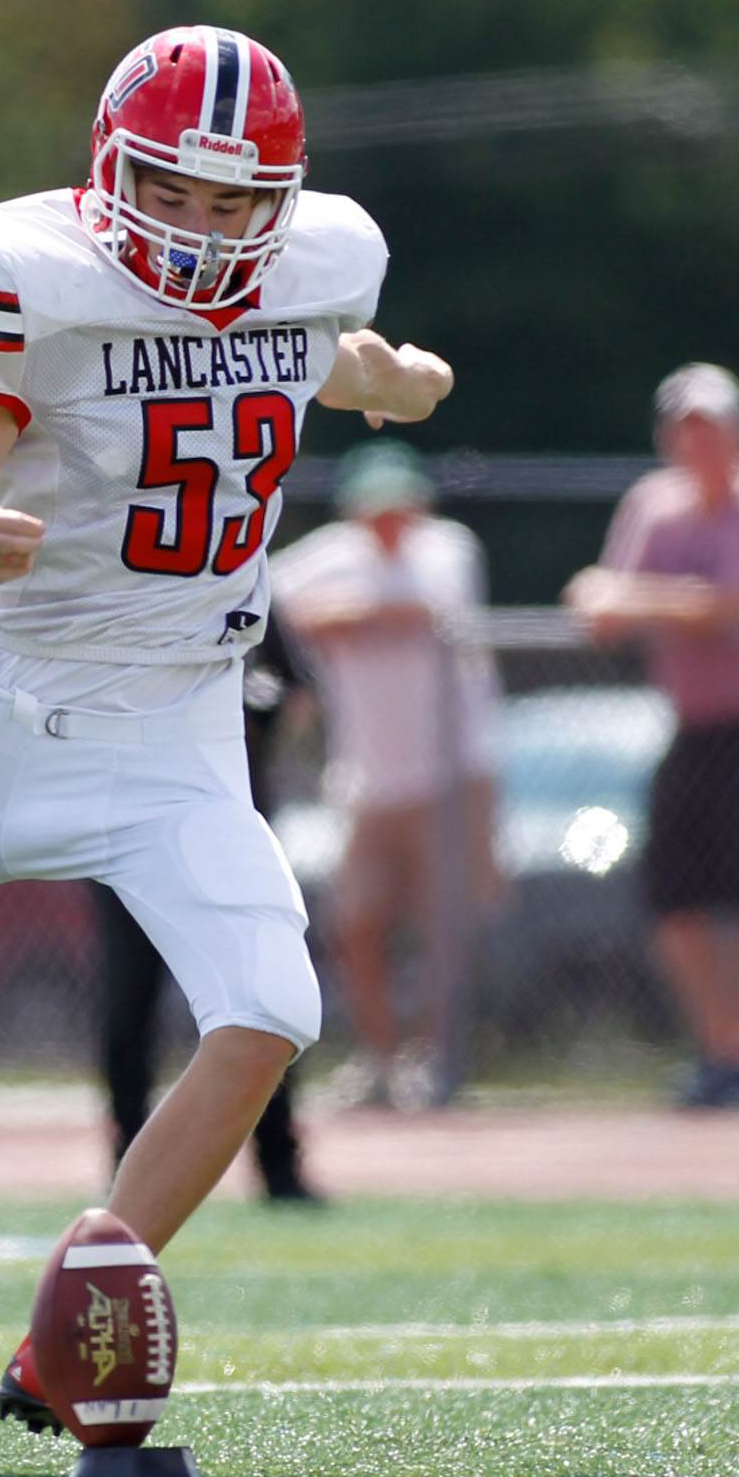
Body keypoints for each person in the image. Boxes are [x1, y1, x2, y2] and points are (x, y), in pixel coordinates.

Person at [0, 23, 452, 1427]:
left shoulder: (301, 282)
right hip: (10, 717)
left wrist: (392, 384)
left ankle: (76, 1306)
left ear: (282, 207)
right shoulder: (38, 291)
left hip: (177, 725)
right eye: (173, 193)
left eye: (237, 203)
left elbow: (318, 359)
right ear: (112, 172)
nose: (201, 230)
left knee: (267, 1012)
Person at [563, 362, 739, 1107]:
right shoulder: (653, 504)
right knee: (673, 897)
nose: (696, 441)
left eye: (709, 426)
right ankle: (723, 1047)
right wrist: (649, 601)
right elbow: (597, 607)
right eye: (683, 428)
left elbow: (732, 606)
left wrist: (642, 600)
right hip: (693, 726)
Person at [271, 441, 500, 1110]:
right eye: (376, 511)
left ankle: (438, 1059)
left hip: (448, 773)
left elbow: (428, 606)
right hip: (367, 777)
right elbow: (265, 600)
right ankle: (380, 1057)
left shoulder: (446, 546)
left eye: (399, 509)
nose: (388, 524)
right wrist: (337, 617)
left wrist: (344, 616)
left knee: (443, 925)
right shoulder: (333, 554)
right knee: (356, 921)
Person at [91, 608, 323, 1202]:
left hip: (227, 838)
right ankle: (129, 1174)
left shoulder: (243, 574)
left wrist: (249, 738)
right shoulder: (120, 585)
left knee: (262, 1001)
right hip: (126, 832)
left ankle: (279, 1165)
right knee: (129, 1003)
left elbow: (292, 695)